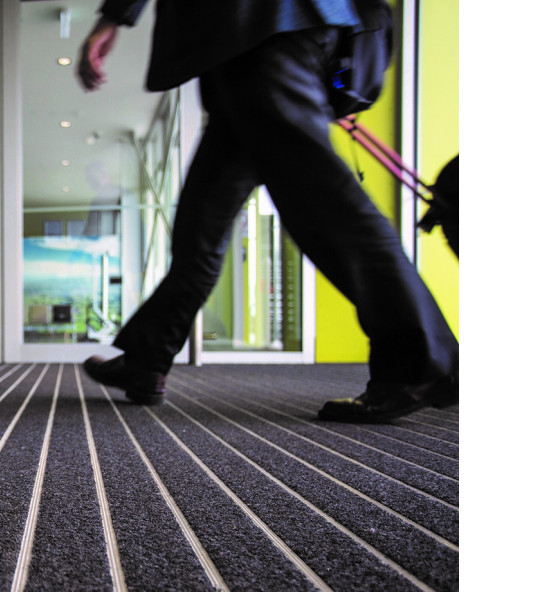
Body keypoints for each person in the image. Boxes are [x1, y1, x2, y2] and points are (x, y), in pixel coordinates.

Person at [77, 0, 458, 423]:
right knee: (201, 224)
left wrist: (113, 16)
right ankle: (146, 357)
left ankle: (418, 364)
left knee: (322, 202)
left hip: (264, 28)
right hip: (245, 41)